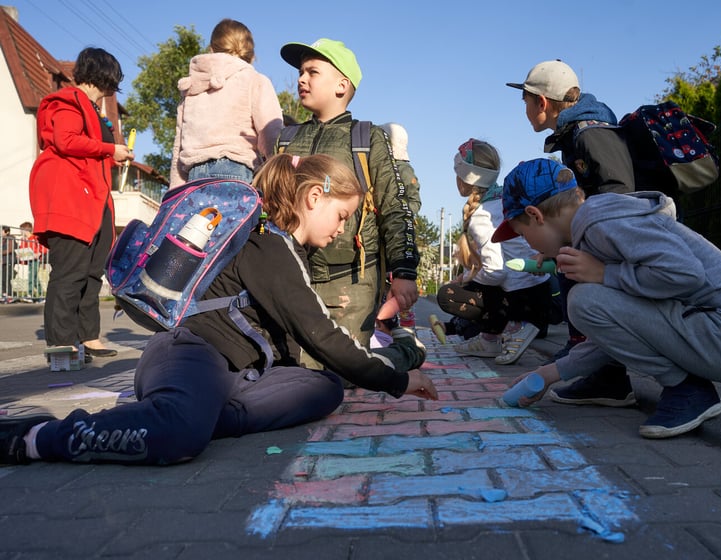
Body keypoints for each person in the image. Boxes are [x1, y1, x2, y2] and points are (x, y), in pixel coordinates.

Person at [0, 153, 438, 466]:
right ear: (313, 197)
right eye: (342, 215)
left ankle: (189, 412)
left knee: (323, 388)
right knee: (179, 437)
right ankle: (38, 437)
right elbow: (321, 335)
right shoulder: (268, 244)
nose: (342, 229)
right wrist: (397, 380)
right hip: (191, 352)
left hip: (237, 375)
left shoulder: (284, 251)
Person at [493, 158, 721, 438]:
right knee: (587, 302)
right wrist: (551, 372)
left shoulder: (600, 223)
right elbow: (621, 326)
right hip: (720, 331)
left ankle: (688, 390)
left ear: (535, 215)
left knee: (583, 301)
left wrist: (605, 274)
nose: (529, 245)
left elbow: (686, 274)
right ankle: (689, 388)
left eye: (523, 234)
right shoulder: (595, 227)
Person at [276, 38, 421, 357]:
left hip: (351, 282)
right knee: (288, 369)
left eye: (312, 72)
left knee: (340, 372)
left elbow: (396, 208)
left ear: (342, 85)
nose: (301, 79)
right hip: (290, 277)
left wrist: (404, 272)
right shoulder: (286, 140)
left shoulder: (367, 138)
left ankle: (406, 352)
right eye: (301, 72)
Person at [507, 59, 636, 396]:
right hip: (611, 236)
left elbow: (619, 192)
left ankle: (601, 368)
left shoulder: (590, 133)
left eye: (525, 101)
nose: (524, 109)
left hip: (627, 241)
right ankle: (604, 373)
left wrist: (588, 239)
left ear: (542, 102)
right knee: (569, 266)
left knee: (576, 274)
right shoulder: (575, 135)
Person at [29, 47, 134, 360]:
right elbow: (66, 140)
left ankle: (88, 336)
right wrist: (109, 149)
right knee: (70, 273)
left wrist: (113, 155)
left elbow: (88, 152)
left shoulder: (92, 107)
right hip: (71, 198)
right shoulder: (68, 102)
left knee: (91, 271)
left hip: (94, 199)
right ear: (104, 76)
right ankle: (61, 346)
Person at [437, 139, 551, 365]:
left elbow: (496, 271)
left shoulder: (481, 215)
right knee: (480, 281)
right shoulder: (505, 200)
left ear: (466, 177)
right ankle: (494, 335)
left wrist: (465, 279)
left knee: (448, 294)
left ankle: (511, 329)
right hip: (541, 294)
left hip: (521, 300)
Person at [170, 18, 284, 188]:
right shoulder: (255, 80)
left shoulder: (192, 87)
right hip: (239, 171)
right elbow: (271, 134)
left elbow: (178, 146)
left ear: (211, 50)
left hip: (194, 176)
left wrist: (175, 189)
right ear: (251, 56)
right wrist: (276, 177)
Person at [379, 122, 421, 329]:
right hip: (381, 233)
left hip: (398, 231)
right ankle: (384, 323)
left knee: (399, 280)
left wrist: (401, 211)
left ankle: (404, 323)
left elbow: (414, 200)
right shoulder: (377, 169)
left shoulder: (404, 170)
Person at [17, 221, 46, 300]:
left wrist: (39, 253)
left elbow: (41, 247)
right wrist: (20, 254)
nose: (20, 232)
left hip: (35, 260)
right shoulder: (24, 239)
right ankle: (41, 296)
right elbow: (22, 249)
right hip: (29, 260)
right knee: (35, 278)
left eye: (21, 230)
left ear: (25, 230)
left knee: (31, 277)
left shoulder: (35, 238)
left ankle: (30, 294)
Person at [1, 225, 16, 300]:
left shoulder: (11, 238)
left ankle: (9, 294)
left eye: (1, 231)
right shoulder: (2, 239)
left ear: (7, 232)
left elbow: (10, 249)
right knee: (2, 278)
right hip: (3, 262)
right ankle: (4, 294)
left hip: (9, 261)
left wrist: (1, 252)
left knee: (7, 278)